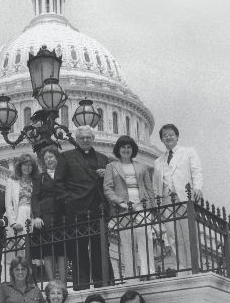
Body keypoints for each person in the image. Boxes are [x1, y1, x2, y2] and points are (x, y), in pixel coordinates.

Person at [54, 125, 112, 290]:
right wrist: (68, 200)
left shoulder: (103, 158)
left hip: (98, 207)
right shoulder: (66, 156)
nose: (85, 140)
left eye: (88, 137)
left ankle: (104, 283)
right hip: (77, 208)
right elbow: (58, 183)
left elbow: (109, 183)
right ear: (77, 140)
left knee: (100, 247)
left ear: (93, 139)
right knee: (78, 250)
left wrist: (104, 175)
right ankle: (82, 285)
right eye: (82, 138)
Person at [104, 135, 155, 278]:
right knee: (127, 242)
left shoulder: (142, 166)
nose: (126, 150)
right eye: (123, 147)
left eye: (129, 147)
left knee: (146, 238)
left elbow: (148, 187)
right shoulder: (111, 166)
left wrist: (151, 206)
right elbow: (108, 188)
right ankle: (131, 275)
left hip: (141, 204)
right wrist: (120, 202)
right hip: (124, 208)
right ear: (118, 149)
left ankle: (148, 272)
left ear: (132, 149)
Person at [153, 124, 203, 270]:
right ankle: (180, 267)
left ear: (177, 136)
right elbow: (156, 184)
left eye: (171, 134)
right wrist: (158, 203)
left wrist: (198, 187)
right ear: (162, 139)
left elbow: (196, 171)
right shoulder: (158, 161)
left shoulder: (188, 152)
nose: (168, 137)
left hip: (184, 197)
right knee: (173, 237)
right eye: (165, 135)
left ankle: (194, 266)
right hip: (166, 201)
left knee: (189, 234)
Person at [31, 145, 66, 282]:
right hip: (46, 217)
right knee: (48, 251)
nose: (49, 160)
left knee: (62, 251)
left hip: (62, 215)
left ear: (57, 158)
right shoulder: (40, 178)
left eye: (51, 157)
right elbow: (35, 197)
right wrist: (36, 216)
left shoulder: (64, 175)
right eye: (46, 158)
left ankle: (62, 283)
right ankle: (52, 283)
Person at [5, 153, 39, 235]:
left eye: (30, 165)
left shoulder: (36, 181)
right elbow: (8, 204)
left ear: (33, 167)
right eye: (24, 164)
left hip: (33, 214)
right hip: (19, 214)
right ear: (19, 166)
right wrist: (13, 222)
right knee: (21, 243)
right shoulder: (11, 181)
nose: (27, 167)